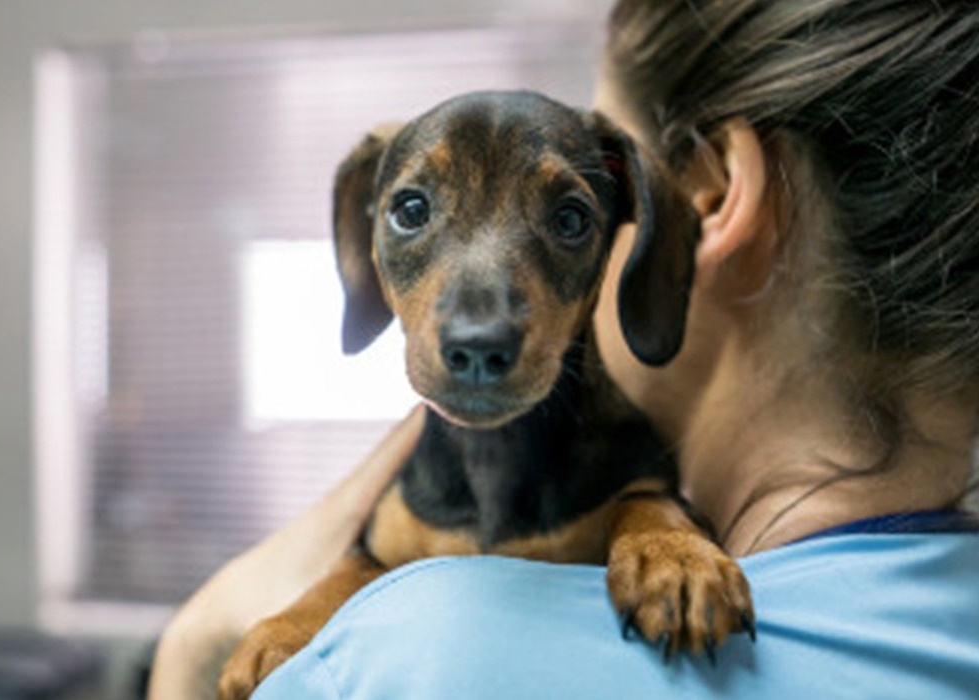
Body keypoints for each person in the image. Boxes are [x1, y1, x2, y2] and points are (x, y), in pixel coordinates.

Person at [150, 1, 979, 697]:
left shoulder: (398, 659)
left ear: (707, 198)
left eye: (572, 217)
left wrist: (193, 642)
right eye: (411, 213)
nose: (481, 325)